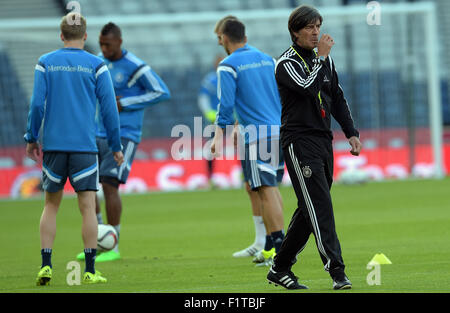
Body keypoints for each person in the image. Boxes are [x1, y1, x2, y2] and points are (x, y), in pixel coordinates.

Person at [266, 5, 362, 290]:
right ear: (295, 31)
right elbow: (309, 88)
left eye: (318, 26)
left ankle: (279, 268)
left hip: (323, 141)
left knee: (309, 209)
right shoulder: (286, 63)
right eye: (309, 27)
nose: (316, 31)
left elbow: (337, 97)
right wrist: (321, 57)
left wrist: (351, 133)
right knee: (320, 207)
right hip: (298, 142)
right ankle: (337, 272)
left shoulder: (325, 61)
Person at [25, 12, 123, 285]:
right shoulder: (97, 65)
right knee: (87, 208)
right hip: (84, 148)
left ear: (61, 36)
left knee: (51, 206)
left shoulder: (46, 62)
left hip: (54, 146)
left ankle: (46, 265)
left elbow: (36, 105)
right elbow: (109, 110)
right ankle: (90, 270)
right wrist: (115, 145)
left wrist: (31, 136)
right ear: (86, 36)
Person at [76, 22, 171, 262]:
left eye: (107, 44)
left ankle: (113, 245)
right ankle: (98, 239)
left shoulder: (136, 66)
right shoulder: (98, 62)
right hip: (96, 133)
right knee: (88, 188)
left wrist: (126, 102)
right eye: (101, 44)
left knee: (109, 185)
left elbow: (161, 92)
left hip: (125, 134)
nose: (104, 48)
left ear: (119, 41)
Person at [210, 19, 286, 264]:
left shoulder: (227, 65)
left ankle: (280, 251)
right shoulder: (268, 59)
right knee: (270, 188)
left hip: (257, 137)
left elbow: (226, 104)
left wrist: (218, 135)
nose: (219, 42)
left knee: (266, 190)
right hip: (280, 132)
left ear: (224, 36)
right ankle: (269, 248)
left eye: (219, 38)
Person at [197, 54, 224, 187]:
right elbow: (203, 98)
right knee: (211, 147)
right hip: (215, 119)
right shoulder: (210, 79)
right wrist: (209, 113)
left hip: (231, 118)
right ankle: (210, 177)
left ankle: (245, 175)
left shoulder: (231, 77)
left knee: (241, 145)